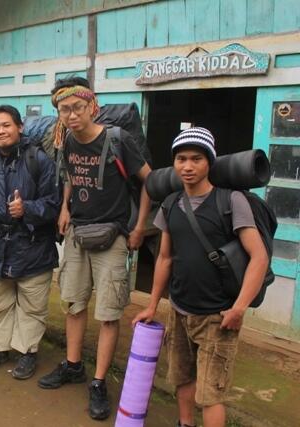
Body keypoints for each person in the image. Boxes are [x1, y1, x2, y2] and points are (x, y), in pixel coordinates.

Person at [132, 128, 268, 427]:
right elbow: (165, 257)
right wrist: (154, 305)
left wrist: (239, 308)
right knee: (182, 378)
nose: (188, 166)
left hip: (218, 316)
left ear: (210, 162)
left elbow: (259, 257)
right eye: (181, 159)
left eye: (196, 158)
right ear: (174, 163)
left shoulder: (230, 201)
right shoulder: (170, 204)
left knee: (211, 394)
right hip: (180, 310)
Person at [37, 81, 152, 421]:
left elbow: (150, 181)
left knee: (109, 313)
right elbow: (71, 176)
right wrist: (64, 207)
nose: (71, 115)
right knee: (73, 303)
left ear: (93, 107)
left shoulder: (118, 140)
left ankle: (99, 382)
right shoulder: (67, 140)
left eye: (77, 108)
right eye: (64, 110)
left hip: (113, 234)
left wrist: (140, 226)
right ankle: (73, 366)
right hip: (77, 232)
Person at [0, 105, 59, 379]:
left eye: (6, 125)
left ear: (20, 127)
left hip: (32, 246)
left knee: (32, 304)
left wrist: (26, 209)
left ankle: (27, 351)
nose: (1, 131)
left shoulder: (39, 161)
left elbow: (53, 204)